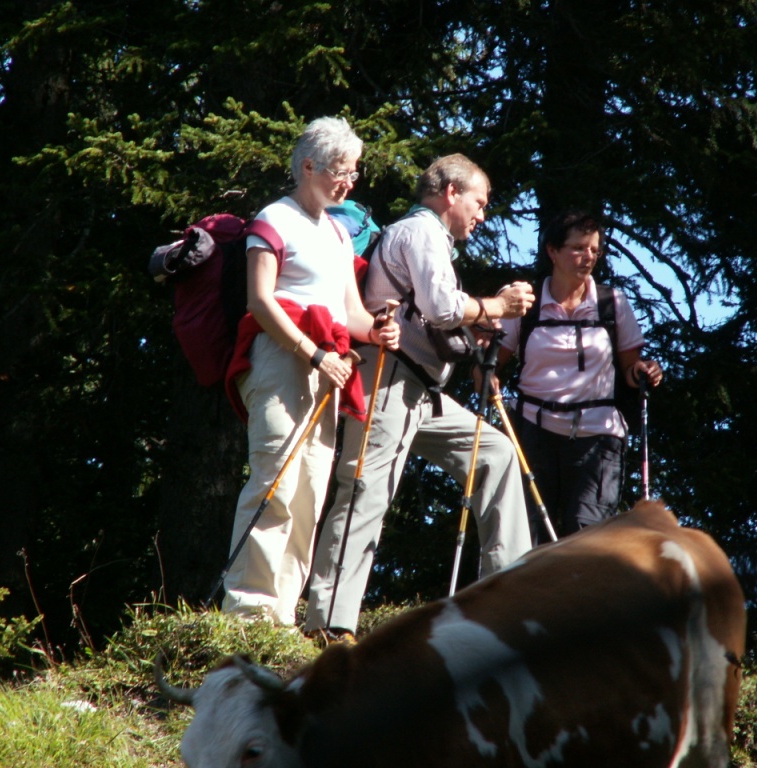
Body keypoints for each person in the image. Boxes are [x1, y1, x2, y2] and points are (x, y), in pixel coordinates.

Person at [304, 154, 536, 642]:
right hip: (388, 378)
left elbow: (436, 314)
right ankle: (329, 624)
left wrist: (481, 319)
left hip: (420, 391)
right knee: (365, 489)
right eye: (479, 202)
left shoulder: (432, 240)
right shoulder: (420, 231)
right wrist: (497, 305)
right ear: (451, 192)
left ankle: (508, 600)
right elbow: (442, 307)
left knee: (495, 454)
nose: (482, 214)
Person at [221, 116, 400, 625]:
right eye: (342, 171)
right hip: (282, 359)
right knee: (275, 482)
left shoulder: (338, 233)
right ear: (308, 166)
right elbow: (260, 301)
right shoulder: (274, 219)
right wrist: (313, 353)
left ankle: (279, 620)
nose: (349, 183)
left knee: (309, 496)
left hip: (326, 368)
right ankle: (246, 614)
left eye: (353, 172)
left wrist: (377, 331)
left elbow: (351, 314)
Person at [496, 209, 663, 544]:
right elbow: (491, 364)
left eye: (594, 250)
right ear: (552, 251)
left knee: (587, 537)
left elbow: (630, 369)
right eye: (578, 248)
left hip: (598, 437)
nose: (588, 257)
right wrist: (487, 380)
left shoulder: (612, 303)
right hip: (533, 434)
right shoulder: (526, 304)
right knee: (529, 536)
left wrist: (643, 371)